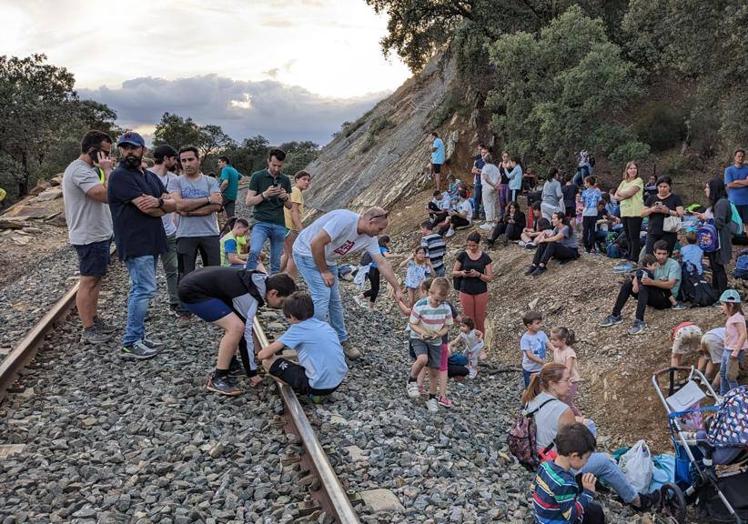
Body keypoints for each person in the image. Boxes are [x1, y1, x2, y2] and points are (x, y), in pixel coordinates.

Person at [523, 364, 661, 512]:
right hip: (558, 466)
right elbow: (575, 444)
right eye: (567, 380)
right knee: (605, 462)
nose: (571, 384)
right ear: (552, 384)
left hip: (538, 459)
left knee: (589, 425)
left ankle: (593, 471)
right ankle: (637, 500)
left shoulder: (531, 400)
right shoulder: (563, 410)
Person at [293, 207, 402, 359]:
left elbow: (382, 263)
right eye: (380, 228)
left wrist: (397, 288)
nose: (381, 232)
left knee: (335, 300)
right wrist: (324, 271)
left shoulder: (369, 238)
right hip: (306, 251)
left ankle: (341, 339)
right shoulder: (344, 220)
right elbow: (315, 243)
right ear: (371, 221)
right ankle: (311, 341)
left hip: (327, 258)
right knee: (322, 294)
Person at [107, 132, 176, 359]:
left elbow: (169, 200)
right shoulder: (119, 177)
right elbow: (150, 208)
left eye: (133, 148)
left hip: (151, 240)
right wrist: (163, 206)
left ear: (143, 150)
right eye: (124, 148)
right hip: (135, 242)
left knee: (142, 289)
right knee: (143, 289)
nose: (128, 152)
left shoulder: (148, 176)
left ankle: (138, 336)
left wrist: (161, 204)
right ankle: (130, 342)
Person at [177, 267, 296, 395]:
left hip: (197, 283)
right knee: (236, 327)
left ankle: (231, 363)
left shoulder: (259, 281)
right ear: (273, 293)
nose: (282, 307)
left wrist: (259, 354)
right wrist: (252, 372)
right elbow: (246, 335)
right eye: (282, 302)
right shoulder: (248, 297)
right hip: (192, 292)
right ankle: (218, 377)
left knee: (236, 322)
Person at [62, 130, 115, 344]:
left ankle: (93, 319)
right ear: (93, 150)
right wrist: (108, 171)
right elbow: (105, 195)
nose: (107, 157)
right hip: (88, 235)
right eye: (105, 153)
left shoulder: (88, 170)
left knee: (96, 279)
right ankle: (88, 327)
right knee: (88, 280)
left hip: (98, 233)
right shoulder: (79, 171)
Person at [258, 292, 348, 401]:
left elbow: (263, 355)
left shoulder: (297, 328)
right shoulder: (324, 325)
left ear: (292, 316)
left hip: (317, 387)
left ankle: (311, 393)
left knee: (267, 362)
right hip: (338, 381)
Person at [171, 146, 223, 301]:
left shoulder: (211, 181)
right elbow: (179, 205)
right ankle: (185, 308)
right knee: (185, 274)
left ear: (198, 160)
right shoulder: (176, 182)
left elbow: (216, 206)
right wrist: (207, 199)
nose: (187, 164)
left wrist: (190, 211)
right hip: (185, 235)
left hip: (210, 233)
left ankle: (214, 304)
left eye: (190, 159)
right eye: (183, 160)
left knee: (213, 272)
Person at [600, 240, 683, 335]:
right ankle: (615, 315)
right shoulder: (652, 262)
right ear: (654, 253)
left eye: (664, 254)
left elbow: (670, 284)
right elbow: (639, 271)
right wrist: (635, 282)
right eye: (659, 253)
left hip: (666, 299)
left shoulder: (673, 265)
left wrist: (651, 282)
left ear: (668, 254)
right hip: (653, 294)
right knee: (628, 283)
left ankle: (639, 321)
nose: (661, 256)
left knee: (644, 286)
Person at [532, 422, 606, 524]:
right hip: (557, 520)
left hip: (541, 517)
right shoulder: (565, 483)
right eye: (586, 458)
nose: (587, 462)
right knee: (596, 512)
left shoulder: (544, 466)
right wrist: (588, 492)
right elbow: (571, 515)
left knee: (593, 510)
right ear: (574, 456)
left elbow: (533, 489)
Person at [406, 277, 453, 412]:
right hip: (418, 338)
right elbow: (412, 323)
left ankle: (432, 398)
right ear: (430, 293)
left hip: (435, 341)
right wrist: (422, 332)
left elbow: (447, 326)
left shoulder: (446, 308)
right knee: (422, 359)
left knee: (434, 372)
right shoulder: (420, 305)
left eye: (441, 301)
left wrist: (439, 334)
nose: (438, 303)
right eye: (436, 299)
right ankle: (412, 381)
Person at [245, 148, 293, 274]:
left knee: (276, 262)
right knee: (254, 251)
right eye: (274, 165)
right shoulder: (257, 176)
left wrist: (285, 197)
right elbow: (248, 202)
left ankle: (273, 288)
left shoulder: (285, 179)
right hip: (260, 221)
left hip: (279, 223)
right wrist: (264, 195)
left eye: (280, 166)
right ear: (268, 161)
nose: (277, 169)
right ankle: (248, 279)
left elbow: (290, 205)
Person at [149, 144, 182, 314]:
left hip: (169, 230)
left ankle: (174, 303)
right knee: (147, 271)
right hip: (150, 232)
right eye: (174, 158)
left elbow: (176, 204)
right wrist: (165, 202)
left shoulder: (174, 178)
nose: (176, 162)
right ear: (166, 159)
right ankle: (145, 307)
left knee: (172, 269)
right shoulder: (145, 176)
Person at [696, 178, 732, 293]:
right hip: (713, 240)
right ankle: (716, 291)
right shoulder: (716, 203)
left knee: (718, 267)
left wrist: (706, 217)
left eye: (707, 187)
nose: (705, 190)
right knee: (714, 267)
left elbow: (719, 222)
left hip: (719, 241)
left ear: (714, 189)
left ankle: (722, 293)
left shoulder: (722, 203)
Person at [452, 232, 493, 333]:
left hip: (481, 290)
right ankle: (470, 340)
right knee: (468, 318)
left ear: (479, 244)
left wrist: (478, 274)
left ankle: (481, 341)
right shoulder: (463, 255)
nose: (471, 247)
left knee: (480, 317)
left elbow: (490, 277)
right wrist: (462, 273)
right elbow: (453, 272)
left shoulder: (485, 257)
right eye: (469, 245)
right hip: (465, 289)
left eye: (473, 245)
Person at [524, 212, 579, 276]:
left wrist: (544, 239)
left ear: (560, 220)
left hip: (571, 252)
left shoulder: (565, 228)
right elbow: (550, 237)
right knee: (543, 243)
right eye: (552, 218)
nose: (552, 220)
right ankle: (534, 264)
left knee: (552, 243)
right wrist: (544, 238)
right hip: (563, 250)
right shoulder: (556, 228)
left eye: (554, 218)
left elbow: (555, 238)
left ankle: (542, 266)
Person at [642, 175, 684, 256]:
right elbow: (642, 213)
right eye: (660, 186)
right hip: (653, 231)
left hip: (669, 232)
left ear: (669, 187)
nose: (662, 189)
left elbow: (680, 214)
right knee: (649, 255)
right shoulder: (651, 198)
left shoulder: (675, 198)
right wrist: (652, 209)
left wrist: (668, 211)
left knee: (665, 256)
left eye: (665, 186)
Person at [280, 170, 311, 278]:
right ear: (297, 180)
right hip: (289, 227)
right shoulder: (296, 191)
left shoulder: (294, 191)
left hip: (284, 226)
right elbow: (294, 212)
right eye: (304, 179)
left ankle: (274, 275)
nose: (307, 182)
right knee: (293, 255)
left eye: (308, 180)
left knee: (287, 254)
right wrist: (301, 230)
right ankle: (291, 281)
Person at [614, 161, 645, 264]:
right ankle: (629, 255)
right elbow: (615, 196)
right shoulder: (623, 182)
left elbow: (629, 193)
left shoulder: (639, 180)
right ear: (627, 170)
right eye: (630, 168)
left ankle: (634, 258)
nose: (632, 170)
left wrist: (621, 194)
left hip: (635, 211)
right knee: (627, 236)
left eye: (634, 168)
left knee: (634, 236)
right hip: (625, 211)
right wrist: (623, 195)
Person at [718, 289, 747, 395]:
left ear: (730, 304)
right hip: (727, 349)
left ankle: (736, 396)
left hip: (734, 351)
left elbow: (743, 334)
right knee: (722, 373)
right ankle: (723, 395)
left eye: (723, 305)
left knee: (730, 376)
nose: (721, 307)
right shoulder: (731, 316)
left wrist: (736, 351)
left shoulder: (738, 318)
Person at [550, 327, 582, 415]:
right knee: (562, 401)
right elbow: (556, 364)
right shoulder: (556, 351)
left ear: (563, 340)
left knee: (566, 402)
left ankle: (579, 419)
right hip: (561, 380)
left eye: (555, 340)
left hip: (571, 381)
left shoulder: (569, 353)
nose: (552, 342)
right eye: (551, 339)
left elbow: (567, 370)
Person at [355, 235, 392, 310]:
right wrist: (400, 255)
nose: (389, 244)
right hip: (374, 270)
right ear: (385, 242)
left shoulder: (376, 248)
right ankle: (359, 297)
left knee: (375, 288)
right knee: (375, 289)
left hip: (371, 269)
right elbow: (387, 256)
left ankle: (370, 307)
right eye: (388, 243)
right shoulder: (382, 248)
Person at [520, 310, 549, 387]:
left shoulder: (542, 334)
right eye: (537, 323)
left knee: (541, 386)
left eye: (540, 322)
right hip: (530, 369)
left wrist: (557, 350)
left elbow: (548, 344)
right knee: (530, 387)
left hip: (541, 368)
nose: (540, 325)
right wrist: (542, 362)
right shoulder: (525, 338)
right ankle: (529, 398)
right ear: (529, 326)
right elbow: (529, 355)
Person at [724, 148, 748, 234]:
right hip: (734, 202)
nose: (740, 158)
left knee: (747, 224)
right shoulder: (728, 170)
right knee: (734, 224)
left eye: (742, 156)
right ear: (735, 157)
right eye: (738, 156)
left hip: (746, 201)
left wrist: (737, 181)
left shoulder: (747, 169)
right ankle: (734, 244)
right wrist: (744, 183)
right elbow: (730, 184)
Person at [580, 176, 603, 254]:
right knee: (592, 230)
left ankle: (586, 247)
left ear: (589, 183)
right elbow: (598, 202)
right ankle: (592, 246)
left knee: (585, 230)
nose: (584, 184)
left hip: (586, 212)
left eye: (585, 182)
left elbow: (582, 202)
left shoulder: (584, 192)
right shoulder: (597, 191)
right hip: (594, 212)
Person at [480, 153, 500, 229]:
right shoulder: (495, 167)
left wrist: (493, 185)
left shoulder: (485, 167)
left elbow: (486, 178)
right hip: (494, 188)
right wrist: (496, 185)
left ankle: (489, 222)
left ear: (485, 159)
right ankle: (493, 222)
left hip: (487, 187)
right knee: (492, 204)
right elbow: (499, 178)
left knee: (487, 204)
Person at [470, 144, 486, 220]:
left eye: (485, 153)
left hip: (486, 183)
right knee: (476, 198)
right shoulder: (478, 161)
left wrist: (479, 170)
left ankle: (483, 214)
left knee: (484, 199)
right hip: (478, 182)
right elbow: (473, 170)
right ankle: (476, 213)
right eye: (482, 152)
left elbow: (488, 173)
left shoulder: (488, 162)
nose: (483, 154)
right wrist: (481, 172)